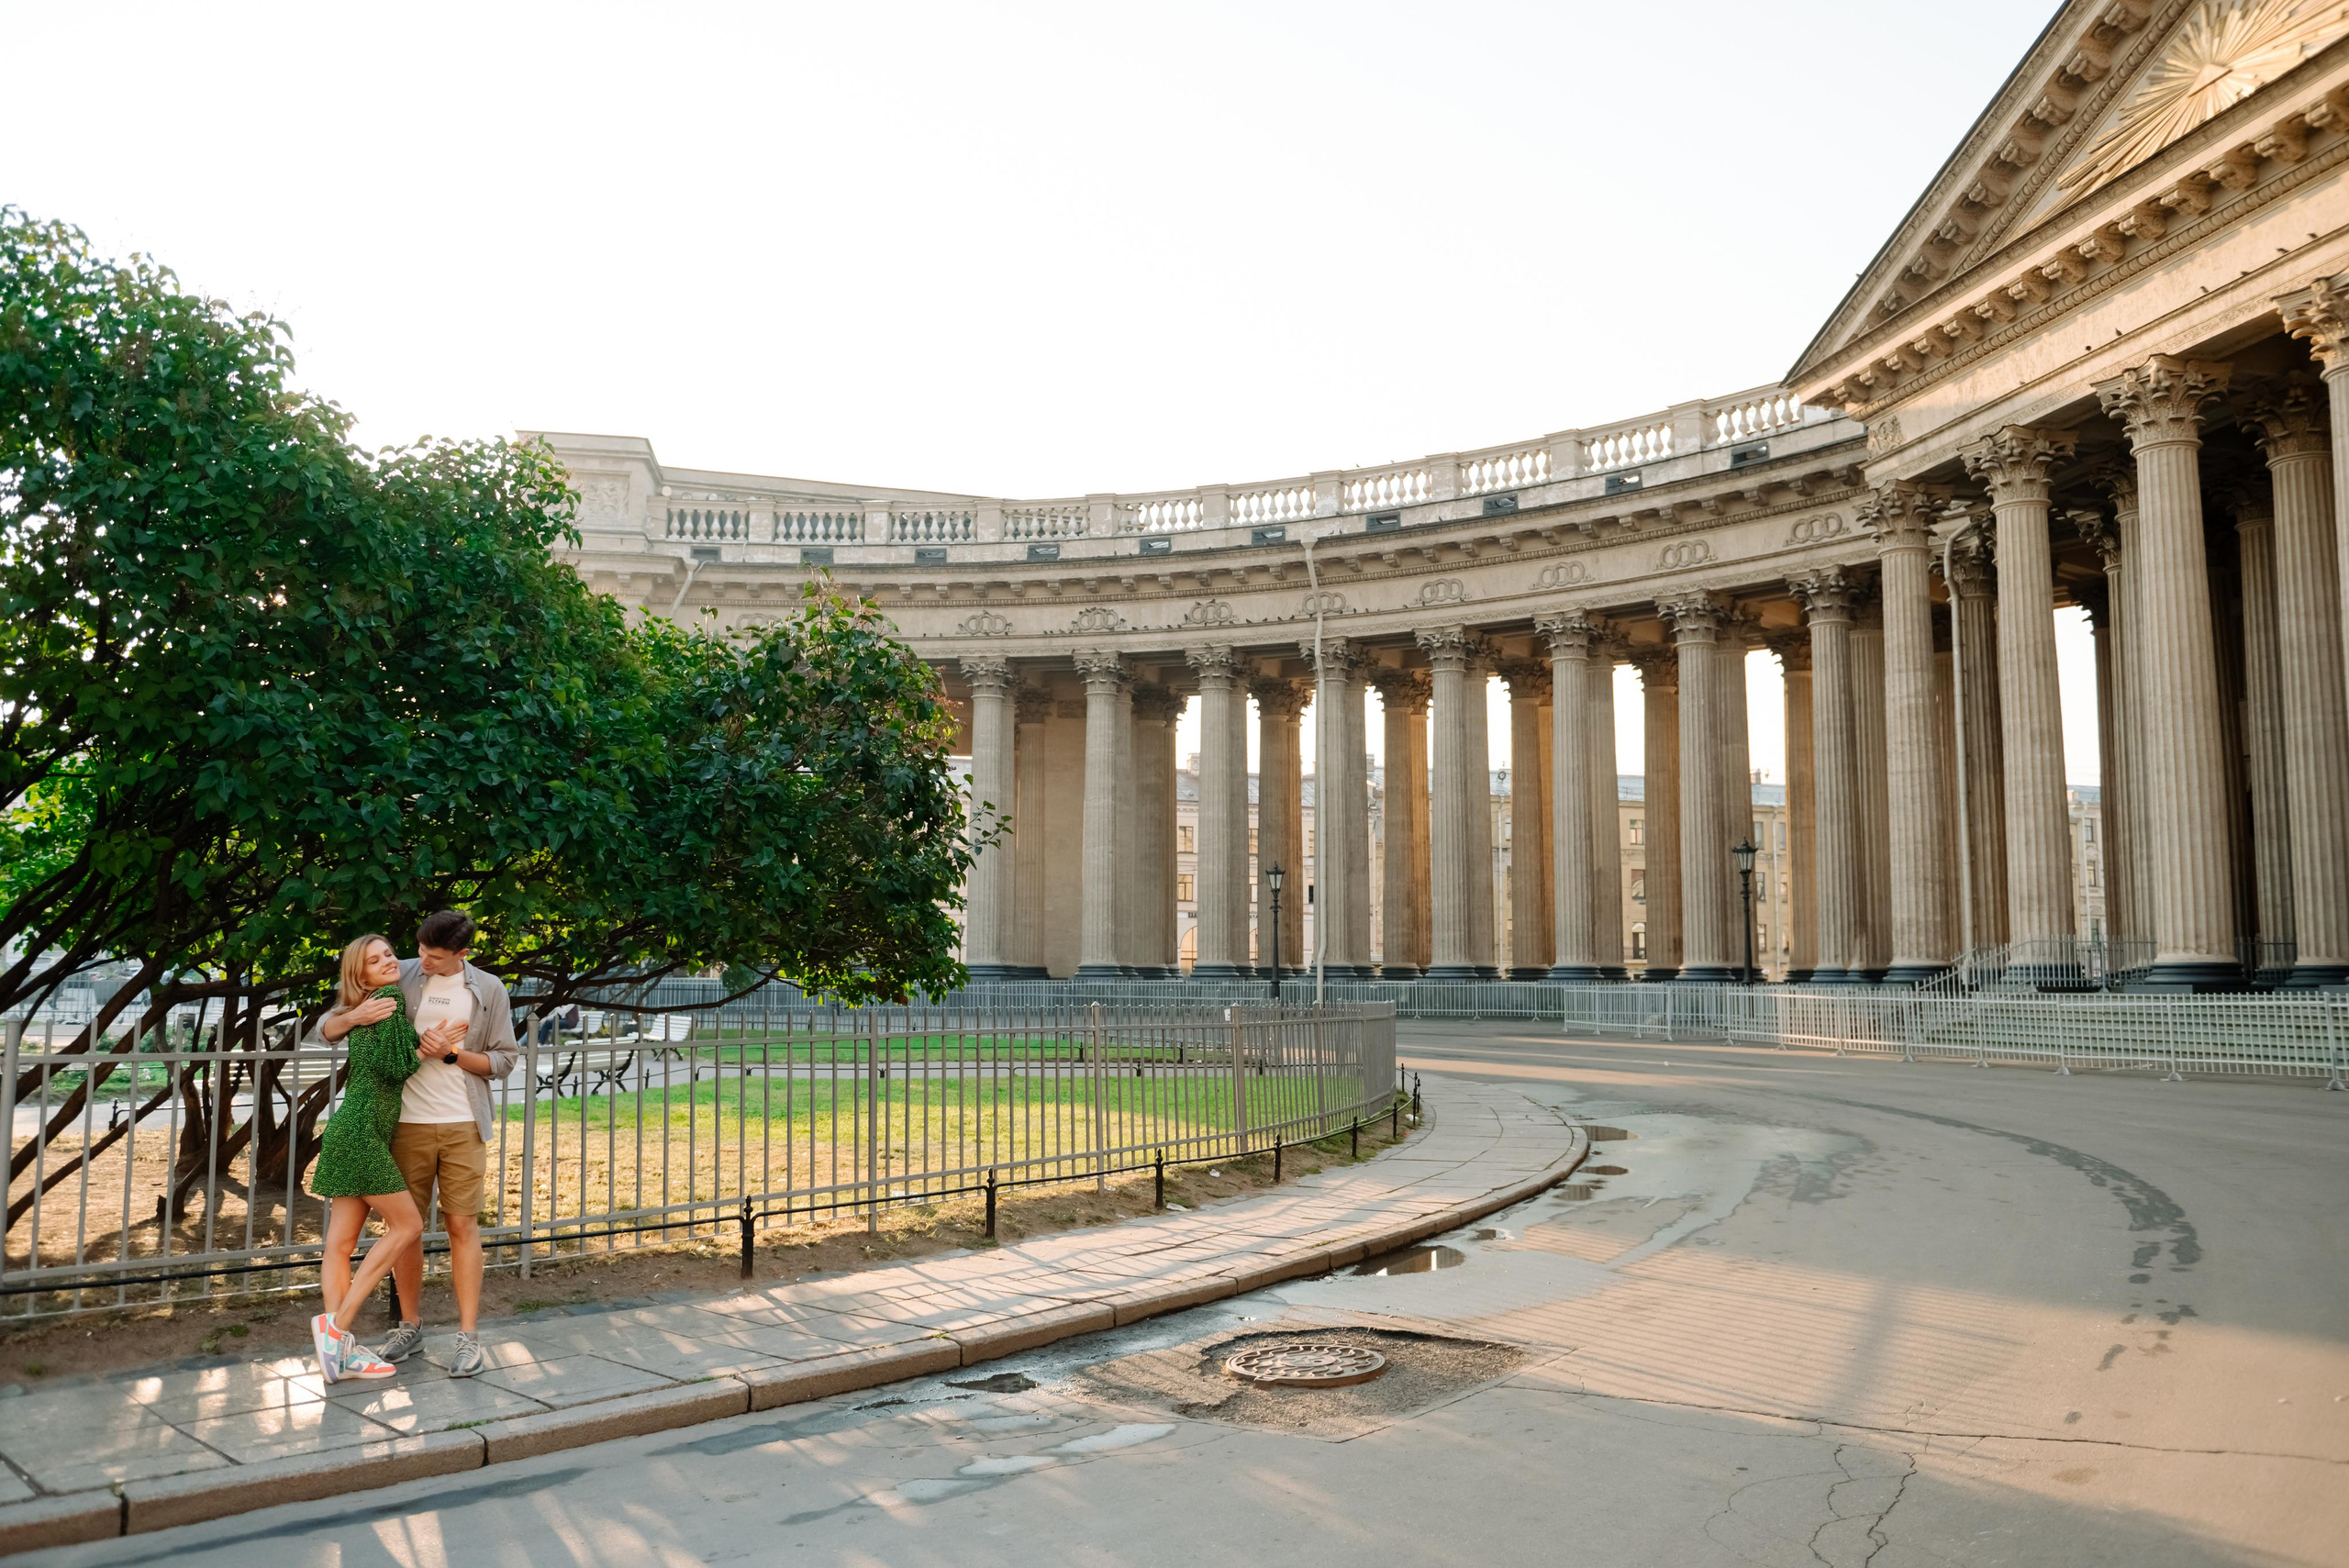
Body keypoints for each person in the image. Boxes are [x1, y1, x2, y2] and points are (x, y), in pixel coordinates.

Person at [319, 909, 518, 1377]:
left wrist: (449, 1053)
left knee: (462, 1227)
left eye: (434, 955)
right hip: (405, 1123)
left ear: (462, 955)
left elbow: (505, 1060)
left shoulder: (488, 989)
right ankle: (409, 1325)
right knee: (406, 1230)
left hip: (463, 1123)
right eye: (420, 950)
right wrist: (353, 1016)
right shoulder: (399, 972)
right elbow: (327, 1028)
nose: (421, 960)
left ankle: (468, 1337)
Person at [307, 935, 428, 1383]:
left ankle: (340, 1355)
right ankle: (336, 1331)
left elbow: (377, 1059)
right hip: (362, 1133)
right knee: (409, 1226)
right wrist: (429, 1049)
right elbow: (392, 1067)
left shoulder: (369, 1005)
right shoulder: (390, 998)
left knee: (340, 1246)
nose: (388, 962)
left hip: (348, 1128)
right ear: (360, 974)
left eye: (390, 954)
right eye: (375, 960)